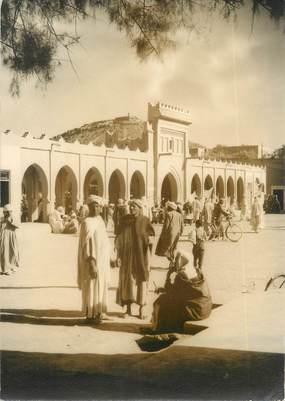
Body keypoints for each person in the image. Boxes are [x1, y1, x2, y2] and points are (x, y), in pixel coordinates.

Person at [151, 249, 212, 333]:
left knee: (161, 301)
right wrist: (164, 289)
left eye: (177, 259)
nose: (176, 261)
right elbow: (179, 291)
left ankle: (158, 329)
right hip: (205, 309)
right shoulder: (196, 271)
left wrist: (169, 274)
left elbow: (172, 293)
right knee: (172, 301)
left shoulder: (182, 275)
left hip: (195, 312)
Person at [115, 199, 155, 319]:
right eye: (131, 206)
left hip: (141, 257)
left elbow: (150, 236)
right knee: (128, 281)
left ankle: (142, 308)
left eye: (134, 206)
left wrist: (149, 242)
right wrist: (118, 255)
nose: (132, 208)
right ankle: (128, 309)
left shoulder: (144, 221)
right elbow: (119, 238)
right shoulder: (125, 221)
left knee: (141, 281)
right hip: (127, 256)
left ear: (140, 207)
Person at [77, 195, 111, 322]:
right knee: (91, 286)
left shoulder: (100, 221)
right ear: (89, 207)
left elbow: (105, 241)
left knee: (100, 286)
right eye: (93, 206)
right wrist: (92, 262)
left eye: (98, 206)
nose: (96, 208)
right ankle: (90, 314)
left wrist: (111, 258)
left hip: (102, 260)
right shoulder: (87, 223)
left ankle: (98, 312)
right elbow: (86, 246)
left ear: (101, 208)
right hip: (92, 261)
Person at [0, 204, 20, 275]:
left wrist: (11, 220)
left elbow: (17, 225)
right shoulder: (2, 219)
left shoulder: (12, 218)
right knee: (4, 253)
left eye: (8, 212)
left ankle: (12, 266)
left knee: (12, 251)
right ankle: (5, 269)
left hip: (11, 237)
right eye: (5, 212)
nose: (6, 213)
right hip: (3, 237)